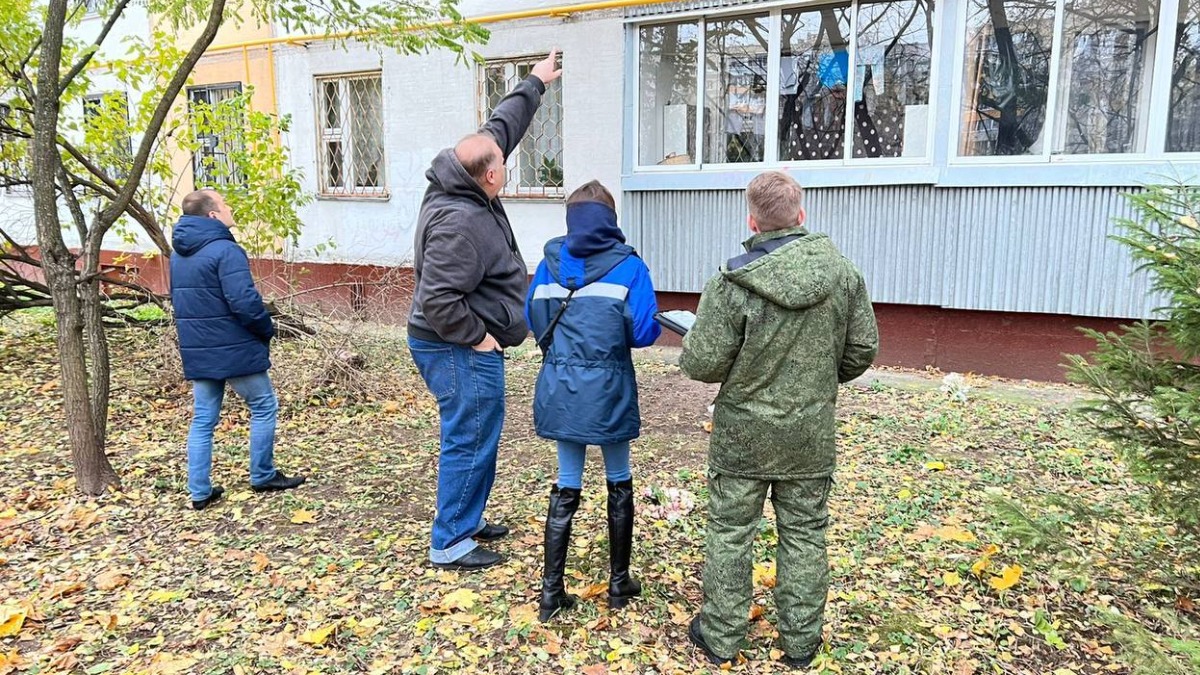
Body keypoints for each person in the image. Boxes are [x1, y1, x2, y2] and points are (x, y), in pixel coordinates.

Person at [678, 171, 878, 668]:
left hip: (743, 438)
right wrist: (816, 377)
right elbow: (860, 352)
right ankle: (802, 644)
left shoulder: (730, 283)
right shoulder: (843, 276)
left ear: (753, 220)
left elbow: (701, 363)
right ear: (801, 216)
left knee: (730, 533)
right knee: (806, 533)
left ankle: (722, 637)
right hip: (808, 436)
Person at [407, 50, 563, 571]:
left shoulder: (463, 172)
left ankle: (466, 520)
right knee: (469, 434)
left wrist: (535, 83)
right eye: (503, 164)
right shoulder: (458, 222)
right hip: (454, 345)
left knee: (479, 431)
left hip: (462, 341)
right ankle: (450, 541)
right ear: (490, 177)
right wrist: (478, 338)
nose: (506, 161)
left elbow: (501, 127)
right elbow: (437, 299)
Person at [524, 181, 661, 622]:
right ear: (611, 218)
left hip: (562, 387)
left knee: (567, 482)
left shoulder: (548, 265)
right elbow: (643, 331)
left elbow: (534, 318)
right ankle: (619, 584)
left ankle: (551, 593)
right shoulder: (630, 267)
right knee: (618, 478)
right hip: (609, 389)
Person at [170, 189, 306, 511]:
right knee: (263, 405)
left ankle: (199, 492)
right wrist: (266, 328)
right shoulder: (226, 251)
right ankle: (263, 475)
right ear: (213, 215)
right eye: (225, 204)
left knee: (203, 419)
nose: (230, 208)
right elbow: (244, 302)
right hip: (235, 348)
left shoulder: (178, 254)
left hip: (199, 347)